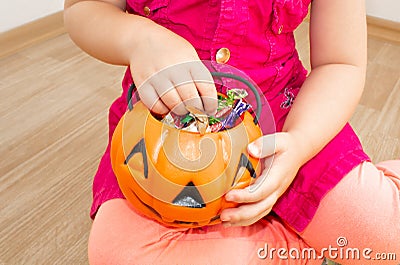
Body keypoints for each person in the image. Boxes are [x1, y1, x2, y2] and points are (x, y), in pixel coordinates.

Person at [64, 0, 400, 264]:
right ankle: (300, 237)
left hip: (291, 122)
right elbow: (84, 8)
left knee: (388, 237)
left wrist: (300, 143)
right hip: (160, 134)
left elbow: (339, 63)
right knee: (118, 256)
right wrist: (140, 39)